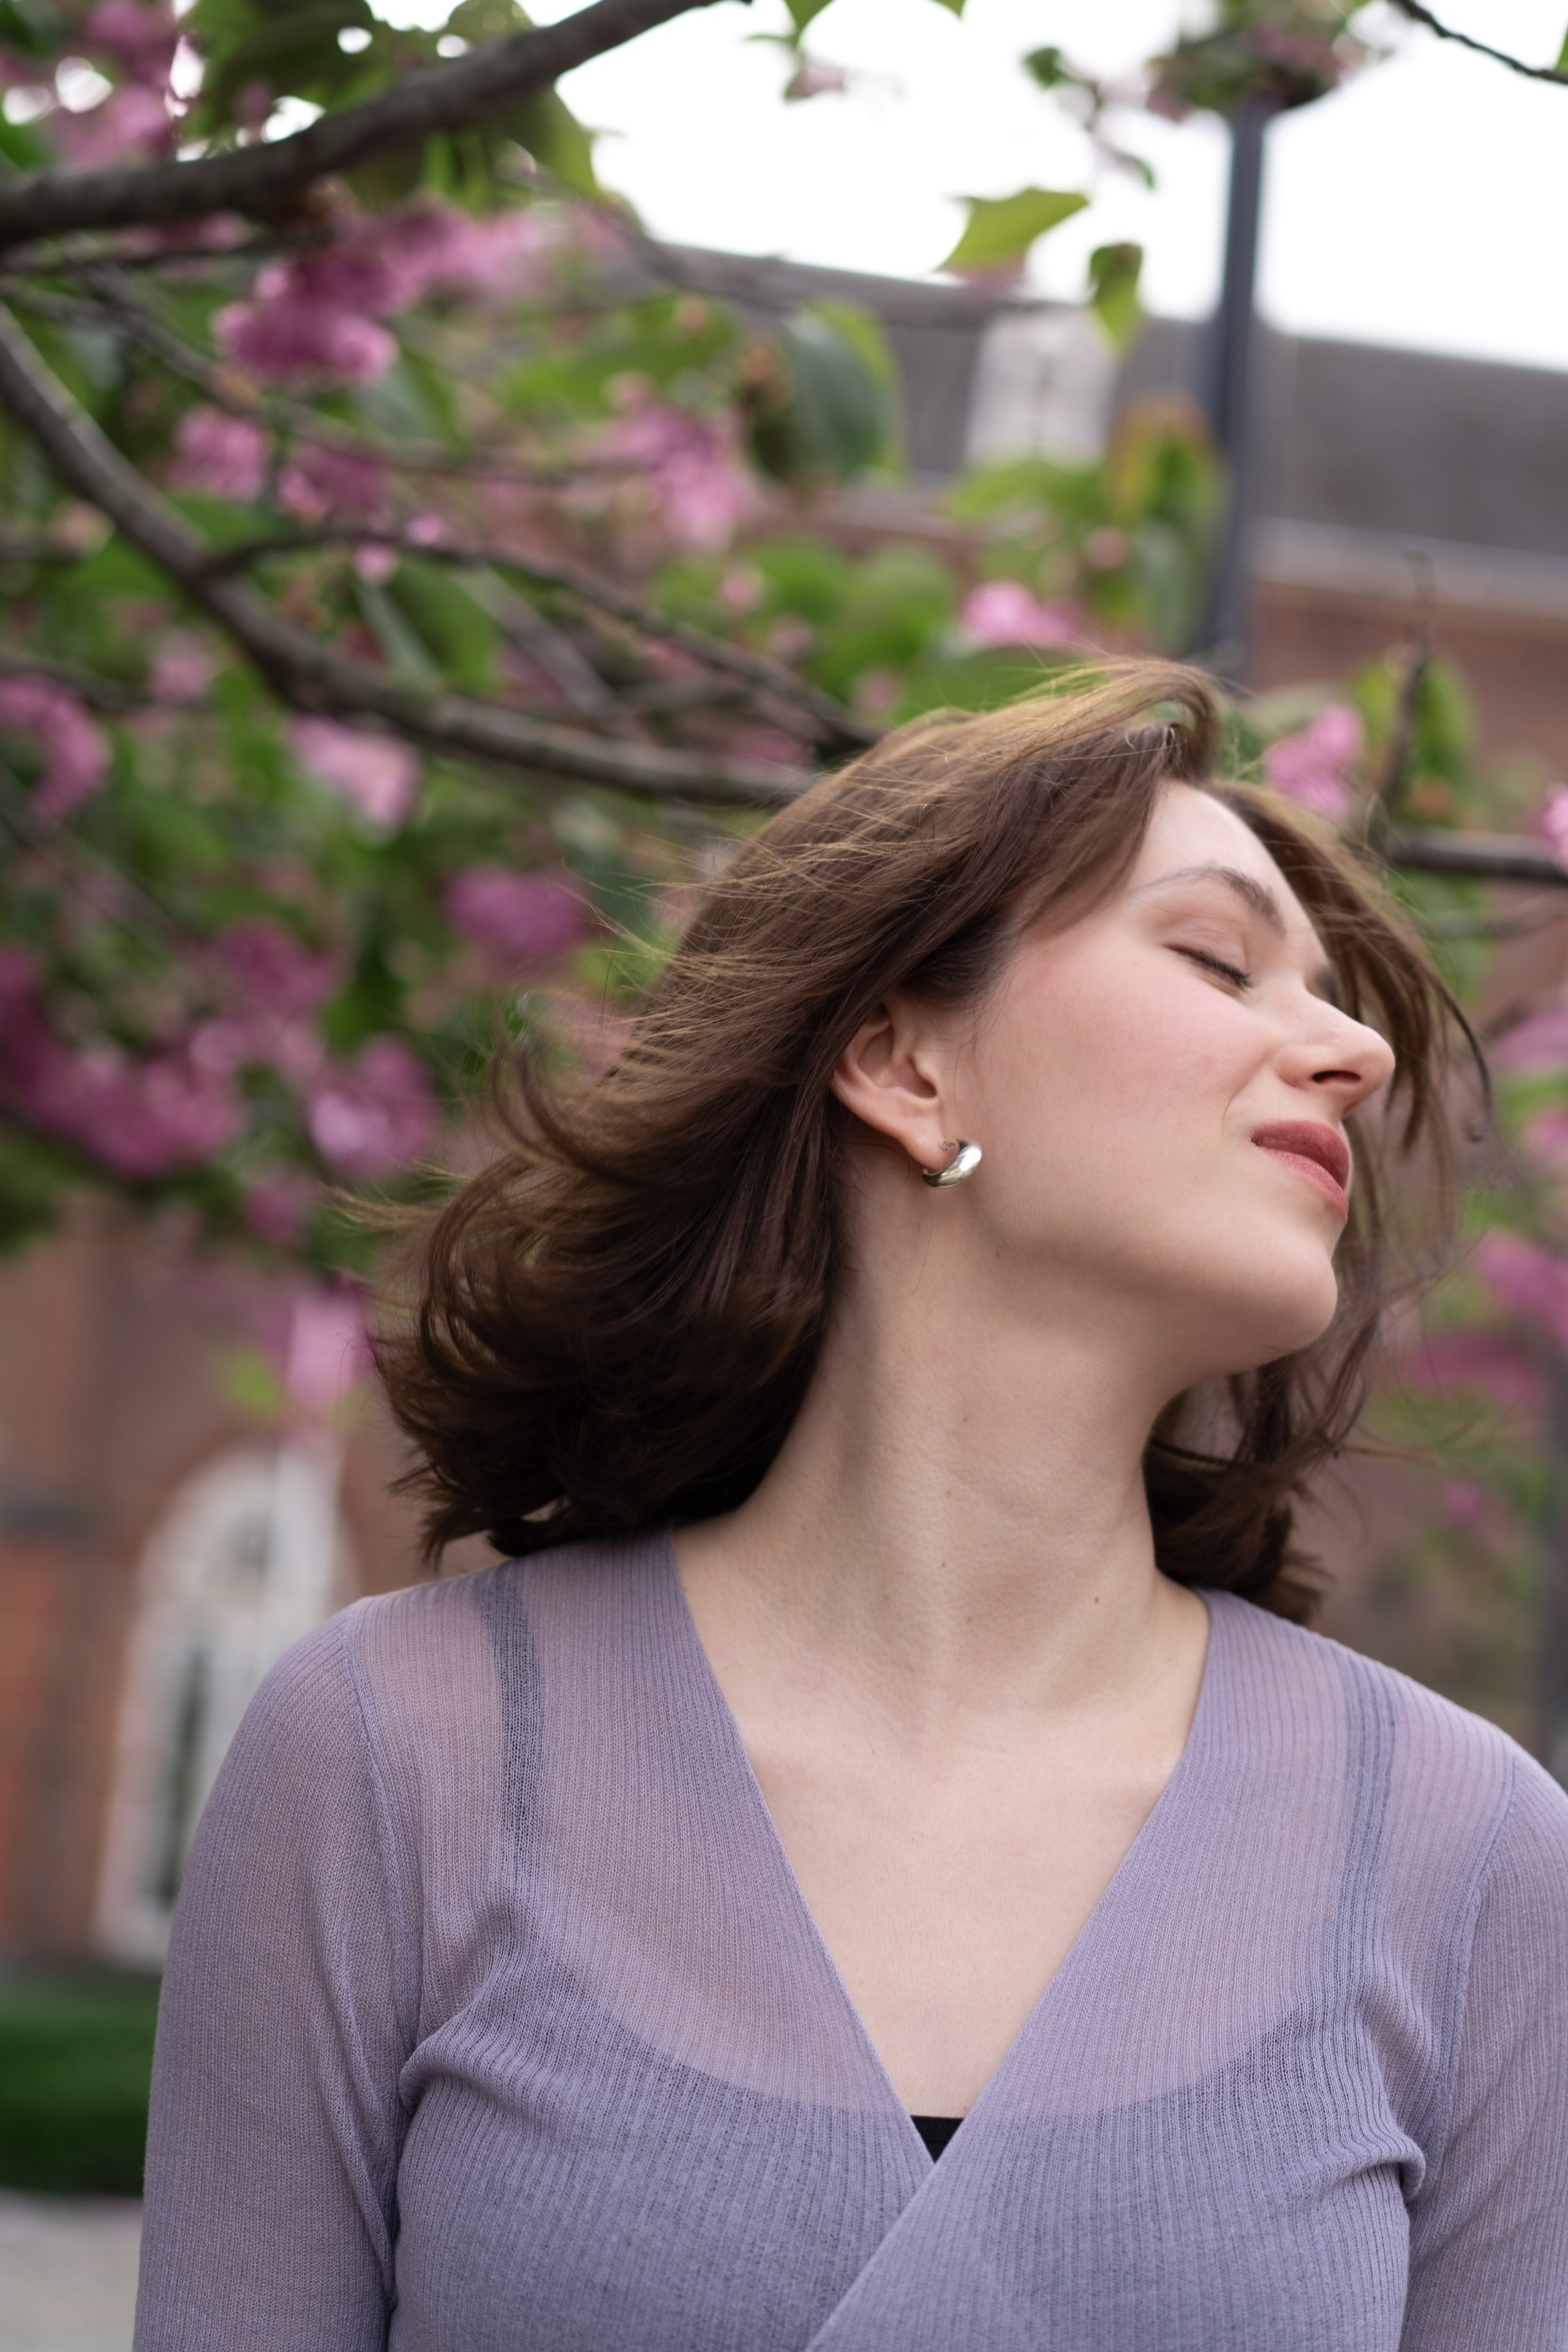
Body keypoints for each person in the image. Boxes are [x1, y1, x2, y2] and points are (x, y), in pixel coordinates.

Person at [134, 662, 1568, 2351]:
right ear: (901, 1061)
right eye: (1211, 955)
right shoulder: (398, 1756)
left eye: (1337, 998)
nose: (1356, 1051)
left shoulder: (1469, 1856)